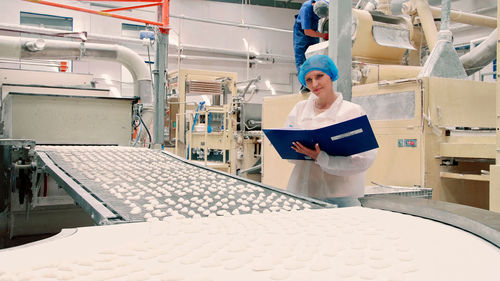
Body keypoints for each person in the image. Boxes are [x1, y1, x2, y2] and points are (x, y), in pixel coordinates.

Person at [285, 55, 378, 207]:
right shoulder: (300, 110)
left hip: (341, 197)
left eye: (319, 76)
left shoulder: (352, 112)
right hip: (304, 193)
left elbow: (365, 159)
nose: (314, 84)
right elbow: (289, 153)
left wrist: (323, 158)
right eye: (308, 80)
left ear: (331, 75)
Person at [293, 0, 329, 92]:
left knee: (315, 55)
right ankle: (306, 85)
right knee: (302, 59)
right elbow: (307, 31)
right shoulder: (306, 8)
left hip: (315, 30)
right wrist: (323, 35)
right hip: (302, 33)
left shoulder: (327, 5)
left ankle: (317, 81)